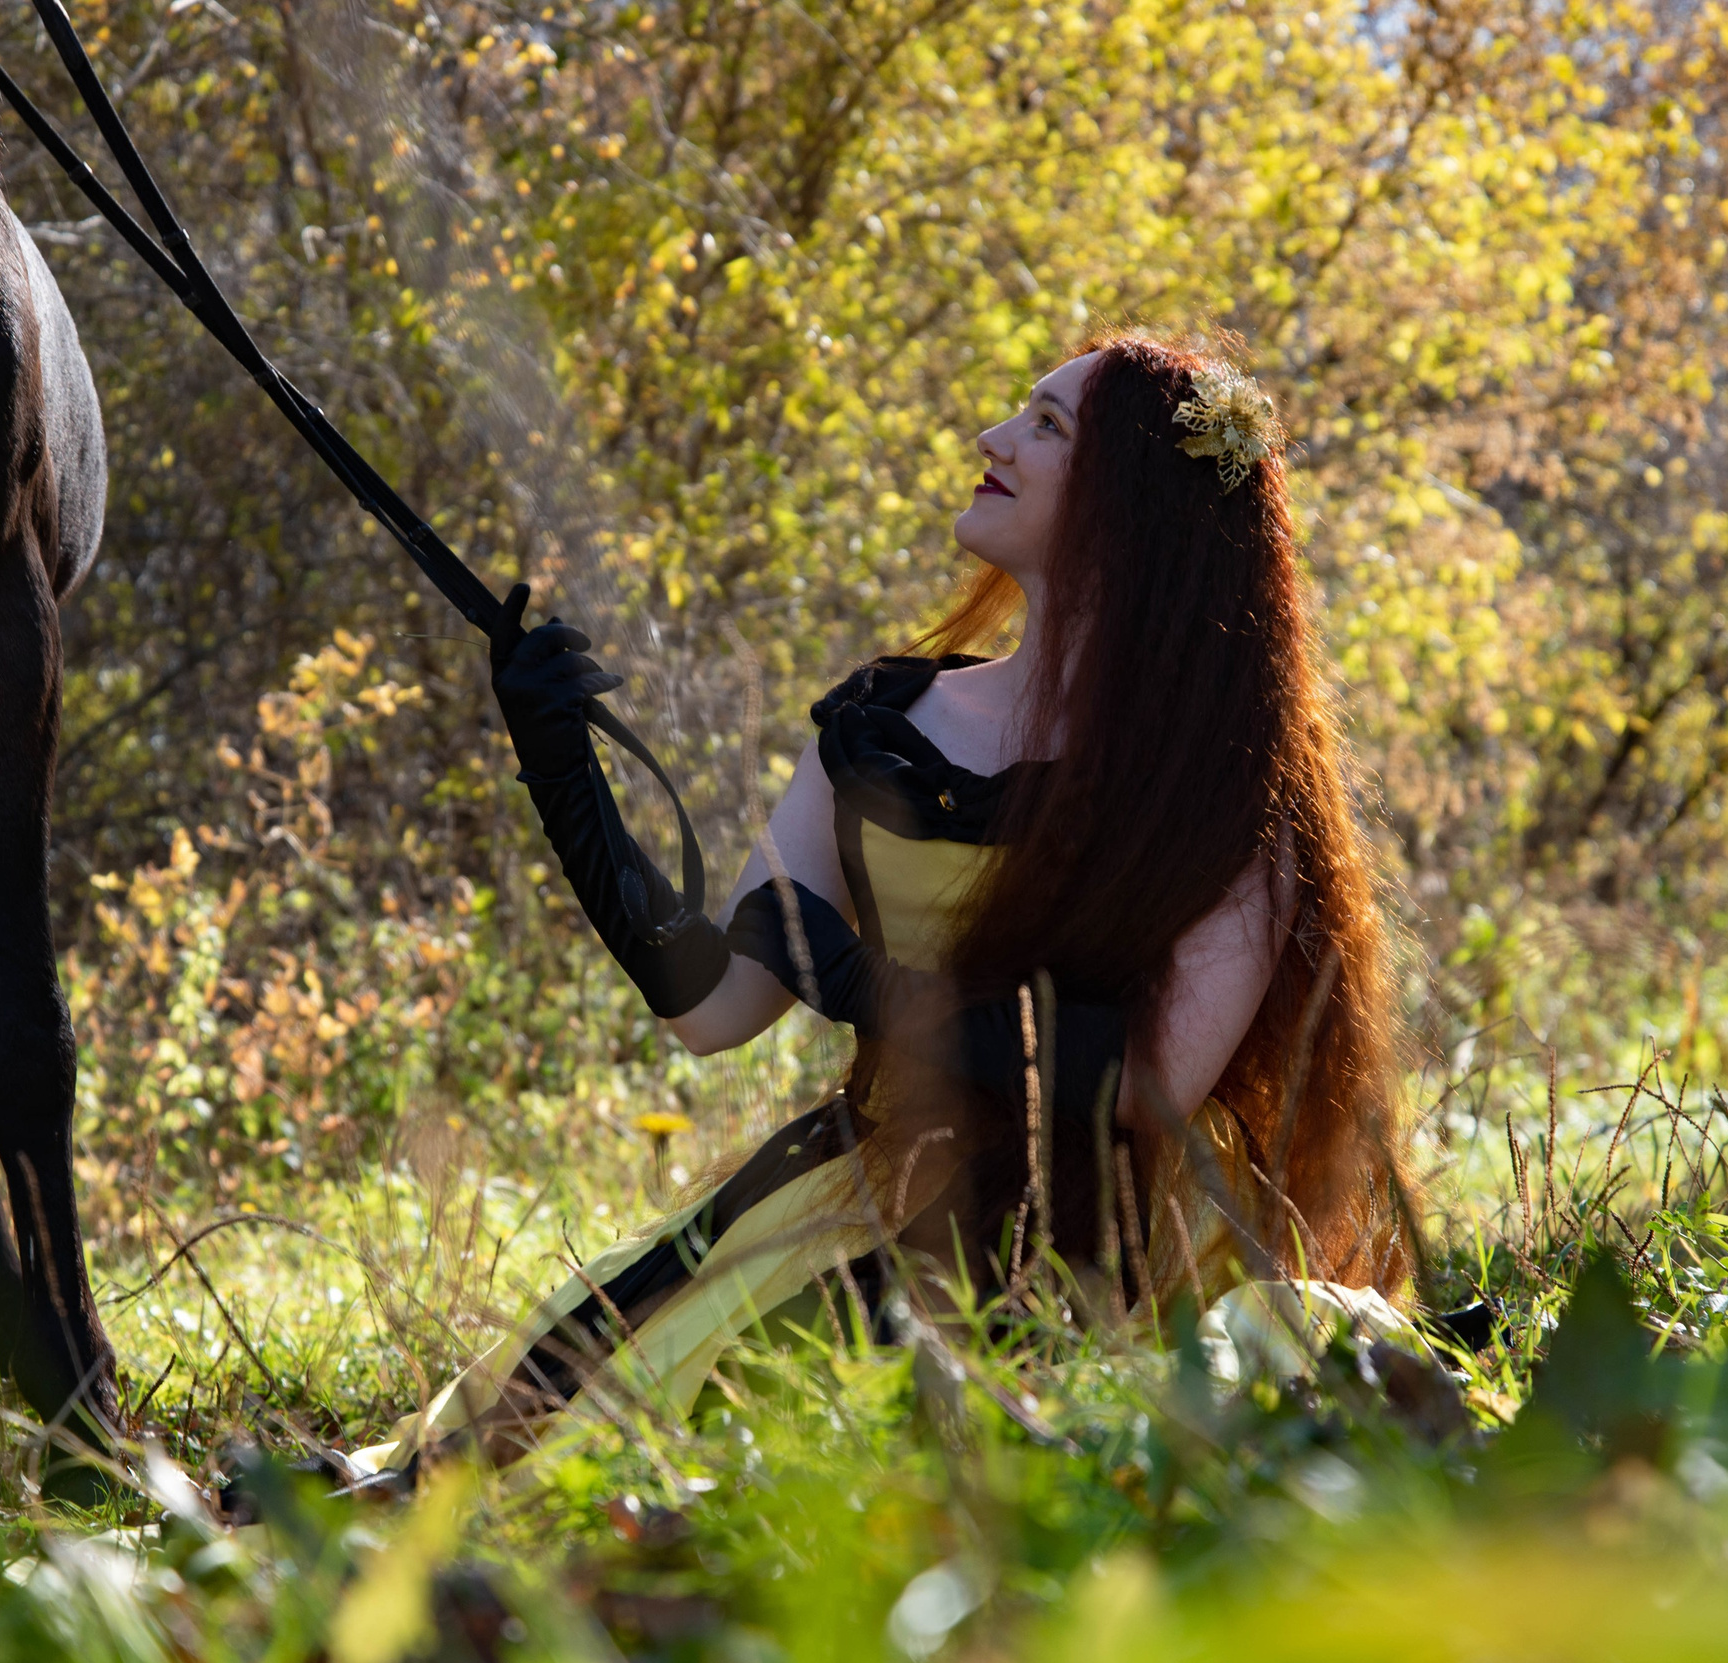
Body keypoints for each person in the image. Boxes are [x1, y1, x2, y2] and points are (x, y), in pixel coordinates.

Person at [344, 329, 1412, 1483]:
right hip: (865, 1189)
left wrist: (863, 984)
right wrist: (563, 773)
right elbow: (712, 1003)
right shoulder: (882, 723)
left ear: (1132, 506)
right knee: (611, 1459)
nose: (992, 439)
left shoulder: (1227, 792)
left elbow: (1140, 1100)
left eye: (1048, 426)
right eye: (1019, 410)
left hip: (1115, 1244)